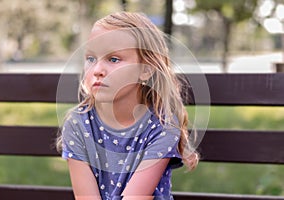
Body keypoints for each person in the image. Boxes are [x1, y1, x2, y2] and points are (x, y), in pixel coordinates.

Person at [56, 11, 199, 200]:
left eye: (113, 59)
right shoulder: (77, 124)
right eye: (91, 58)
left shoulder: (163, 126)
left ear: (146, 69)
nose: (97, 70)